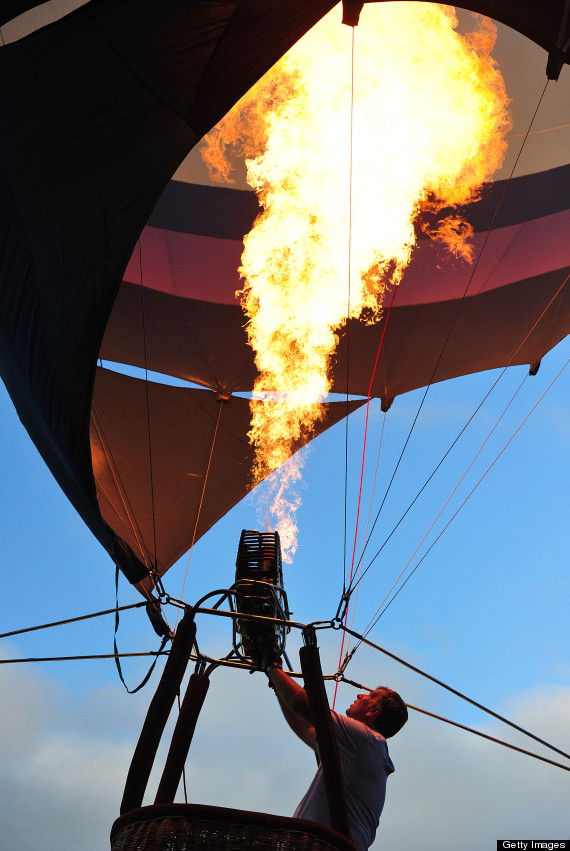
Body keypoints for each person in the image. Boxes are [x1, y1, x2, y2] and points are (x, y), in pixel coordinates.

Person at [265, 660, 407, 851]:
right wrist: (277, 682)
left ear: (373, 711)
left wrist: (271, 666)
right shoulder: (358, 749)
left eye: (371, 695)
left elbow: (301, 704)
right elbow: (305, 726)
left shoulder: (366, 739)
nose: (360, 694)